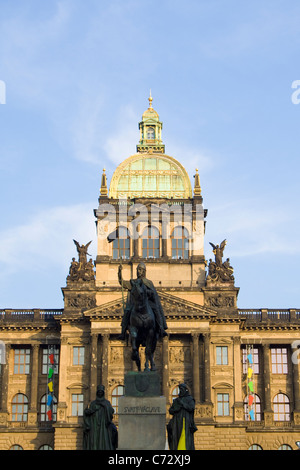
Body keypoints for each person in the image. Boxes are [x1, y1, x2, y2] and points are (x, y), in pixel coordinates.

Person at [118, 262, 168, 340]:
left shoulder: (148, 282)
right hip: (135, 304)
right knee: (127, 311)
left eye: (140, 270)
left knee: (156, 310)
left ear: (144, 271)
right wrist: (119, 272)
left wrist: (146, 293)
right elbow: (122, 282)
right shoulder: (133, 282)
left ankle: (161, 328)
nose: (139, 271)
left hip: (148, 303)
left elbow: (153, 293)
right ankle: (123, 332)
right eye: (138, 269)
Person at [83, 385, 118, 450]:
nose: (100, 393)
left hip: (104, 425)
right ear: (97, 393)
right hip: (94, 424)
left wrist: (105, 406)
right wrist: (89, 411)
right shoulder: (93, 403)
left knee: (105, 438)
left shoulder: (106, 403)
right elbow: (89, 412)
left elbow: (111, 411)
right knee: (95, 440)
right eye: (98, 392)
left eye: (101, 392)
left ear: (103, 393)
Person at [167, 384, 197, 450]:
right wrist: (176, 409)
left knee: (184, 438)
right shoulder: (176, 400)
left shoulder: (190, 399)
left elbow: (191, 408)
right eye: (180, 389)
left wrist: (183, 404)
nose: (180, 390)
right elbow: (171, 410)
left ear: (185, 389)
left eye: (182, 389)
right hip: (176, 421)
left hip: (185, 420)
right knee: (176, 437)